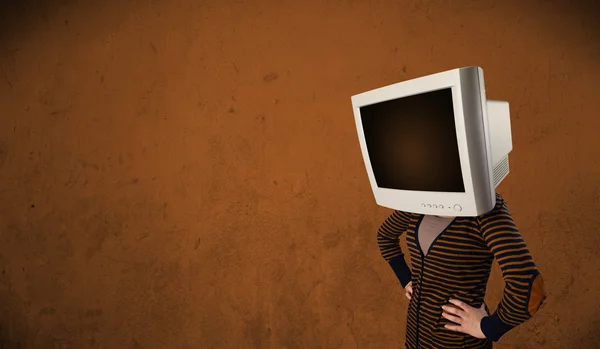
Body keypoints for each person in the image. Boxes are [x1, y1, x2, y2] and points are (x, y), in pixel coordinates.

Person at [377, 192, 546, 349]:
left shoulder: (485, 207)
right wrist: (406, 279)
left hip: (457, 342)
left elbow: (529, 287)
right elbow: (385, 236)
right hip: (415, 336)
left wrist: (489, 327)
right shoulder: (420, 199)